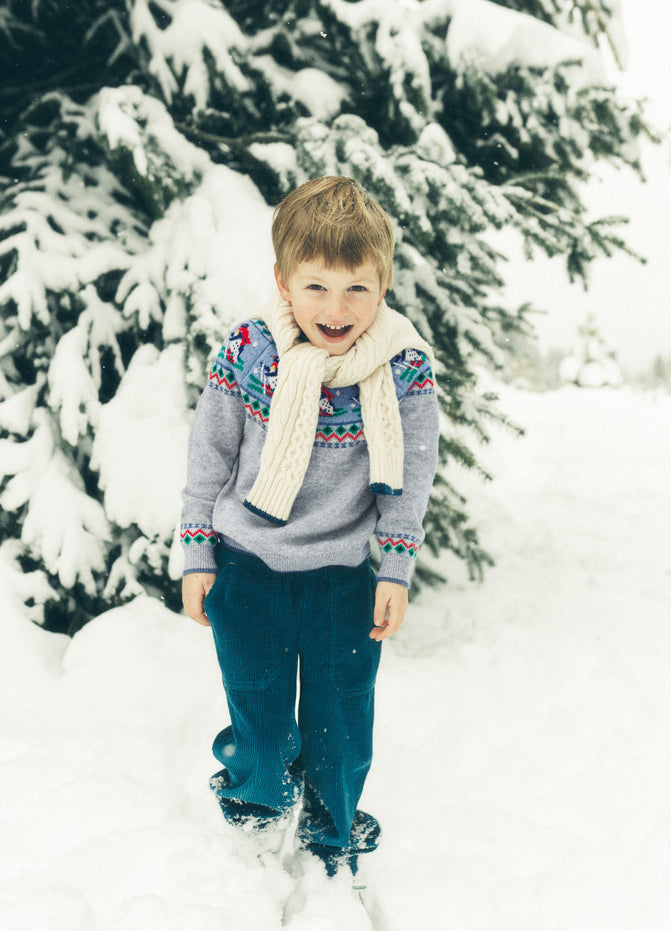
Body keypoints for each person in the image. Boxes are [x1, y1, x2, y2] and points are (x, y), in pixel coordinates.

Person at [180, 176, 439, 875]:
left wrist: (395, 569)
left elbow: (411, 476)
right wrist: (198, 551)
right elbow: (210, 454)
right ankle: (256, 811)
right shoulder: (251, 351)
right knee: (260, 721)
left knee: (341, 726)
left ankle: (333, 833)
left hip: (341, 582)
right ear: (283, 282)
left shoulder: (404, 367)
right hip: (248, 571)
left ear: (383, 285)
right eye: (316, 286)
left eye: (357, 288)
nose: (336, 308)